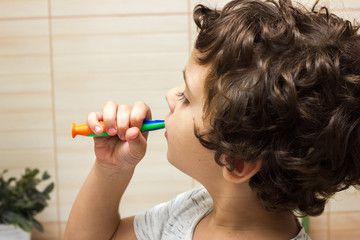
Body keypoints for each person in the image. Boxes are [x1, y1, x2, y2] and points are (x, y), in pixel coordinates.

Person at [64, 0, 360, 239]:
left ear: (237, 162)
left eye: (187, 98)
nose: (170, 95)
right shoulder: (194, 210)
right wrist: (112, 169)